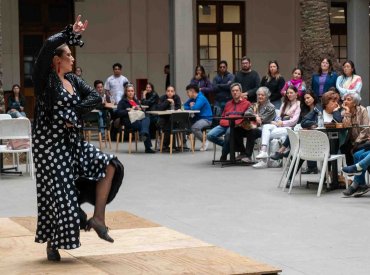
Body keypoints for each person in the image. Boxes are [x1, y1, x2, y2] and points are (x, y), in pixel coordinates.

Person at [32, 15, 124, 261]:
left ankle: (98, 218)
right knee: (59, 196)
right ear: (57, 60)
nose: (73, 58)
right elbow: (47, 47)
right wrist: (68, 31)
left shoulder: (72, 80)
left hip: (72, 143)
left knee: (110, 165)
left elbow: (94, 97)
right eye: (69, 55)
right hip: (50, 147)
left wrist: (73, 113)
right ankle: (53, 242)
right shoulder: (46, 81)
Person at [253, 85, 301, 168]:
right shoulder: (284, 104)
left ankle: (263, 161)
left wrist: (281, 123)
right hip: (278, 126)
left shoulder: (298, 105)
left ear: (296, 94)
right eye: (288, 93)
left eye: (291, 93)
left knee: (265, 134)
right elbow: (278, 116)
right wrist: (276, 121)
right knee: (266, 127)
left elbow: (294, 121)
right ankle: (264, 152)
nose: (289, 94)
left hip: (290, 128)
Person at [207, 83, 251, 161]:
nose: (235, 92)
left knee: (228, 134)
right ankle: (231, 147)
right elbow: (223, 118)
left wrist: (232, 123)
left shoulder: (247, 104)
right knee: (210, 135)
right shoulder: (228, 104)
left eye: (237, 90)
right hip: (225, 125)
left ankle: (224, 154)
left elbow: (244, 119)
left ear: (241, 92)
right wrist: (227, 123)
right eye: (233, 91)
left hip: (236, 127)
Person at [234, 86, 276, 163]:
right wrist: (255, 116)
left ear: (266, 96)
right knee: (236, 129)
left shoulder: (271, 107)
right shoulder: (255, 105)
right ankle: (242, 152)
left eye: (262, 95)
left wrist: (255, 117)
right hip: (252, 126)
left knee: (252, 131)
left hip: (263, 129)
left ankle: (248, 156)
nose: (260, 96)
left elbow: (263, 120)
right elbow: (246, 113)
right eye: (258, 95)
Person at [115, 83, 155, 153]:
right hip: (128, 120)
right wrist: (129, 110)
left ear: (134, 92)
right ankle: (147, 147)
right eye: (129, 91)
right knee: (143, 125)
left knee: (147, 118)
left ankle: (143, 133)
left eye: (132, 91)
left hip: (137, 118)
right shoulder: (122, 102)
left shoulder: (136, 101)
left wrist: (140, 109)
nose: (131, 93)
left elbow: (141, 112)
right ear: (126, 92)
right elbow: (118, 113)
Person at [340, 93, 369, 164]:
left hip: (363, 139)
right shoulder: (344, 112)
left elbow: (366, 128)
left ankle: (358, 168)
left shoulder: (363, 110)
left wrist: (357, 142)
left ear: (355, 103)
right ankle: (351, 170)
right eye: (345, 99)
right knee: (344, 148)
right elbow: (346, 126)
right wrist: (347, 112)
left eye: (348, 99)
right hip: (351, 140)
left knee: (357, 148)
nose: (345, 101)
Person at [184, 84, 213, 151]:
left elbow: (195, 108)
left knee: (195, 127)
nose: (187, 94)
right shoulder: (192, 98)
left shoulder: (201, 97)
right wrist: (191, 106)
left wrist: (192, 107)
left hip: (206, 119)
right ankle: (183, 144)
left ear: (193, 91)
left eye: (188, 92)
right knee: (183, 123)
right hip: (197, 118)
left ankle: (205, 141)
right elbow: (184, 106)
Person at [156, 85, 182, 150]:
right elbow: (159, 108)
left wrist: (172, 105)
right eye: (168, 91)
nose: (170, 92)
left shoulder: (176, 98)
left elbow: (178, 107)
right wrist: (167, 101)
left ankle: (167, 144)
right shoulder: (162, 98)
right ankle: (166, 144)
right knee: (163, 124)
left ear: (174, 92)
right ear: (166, 92)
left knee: (171, 125)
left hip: (173, 118)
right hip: (163, 117)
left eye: (172, 91)